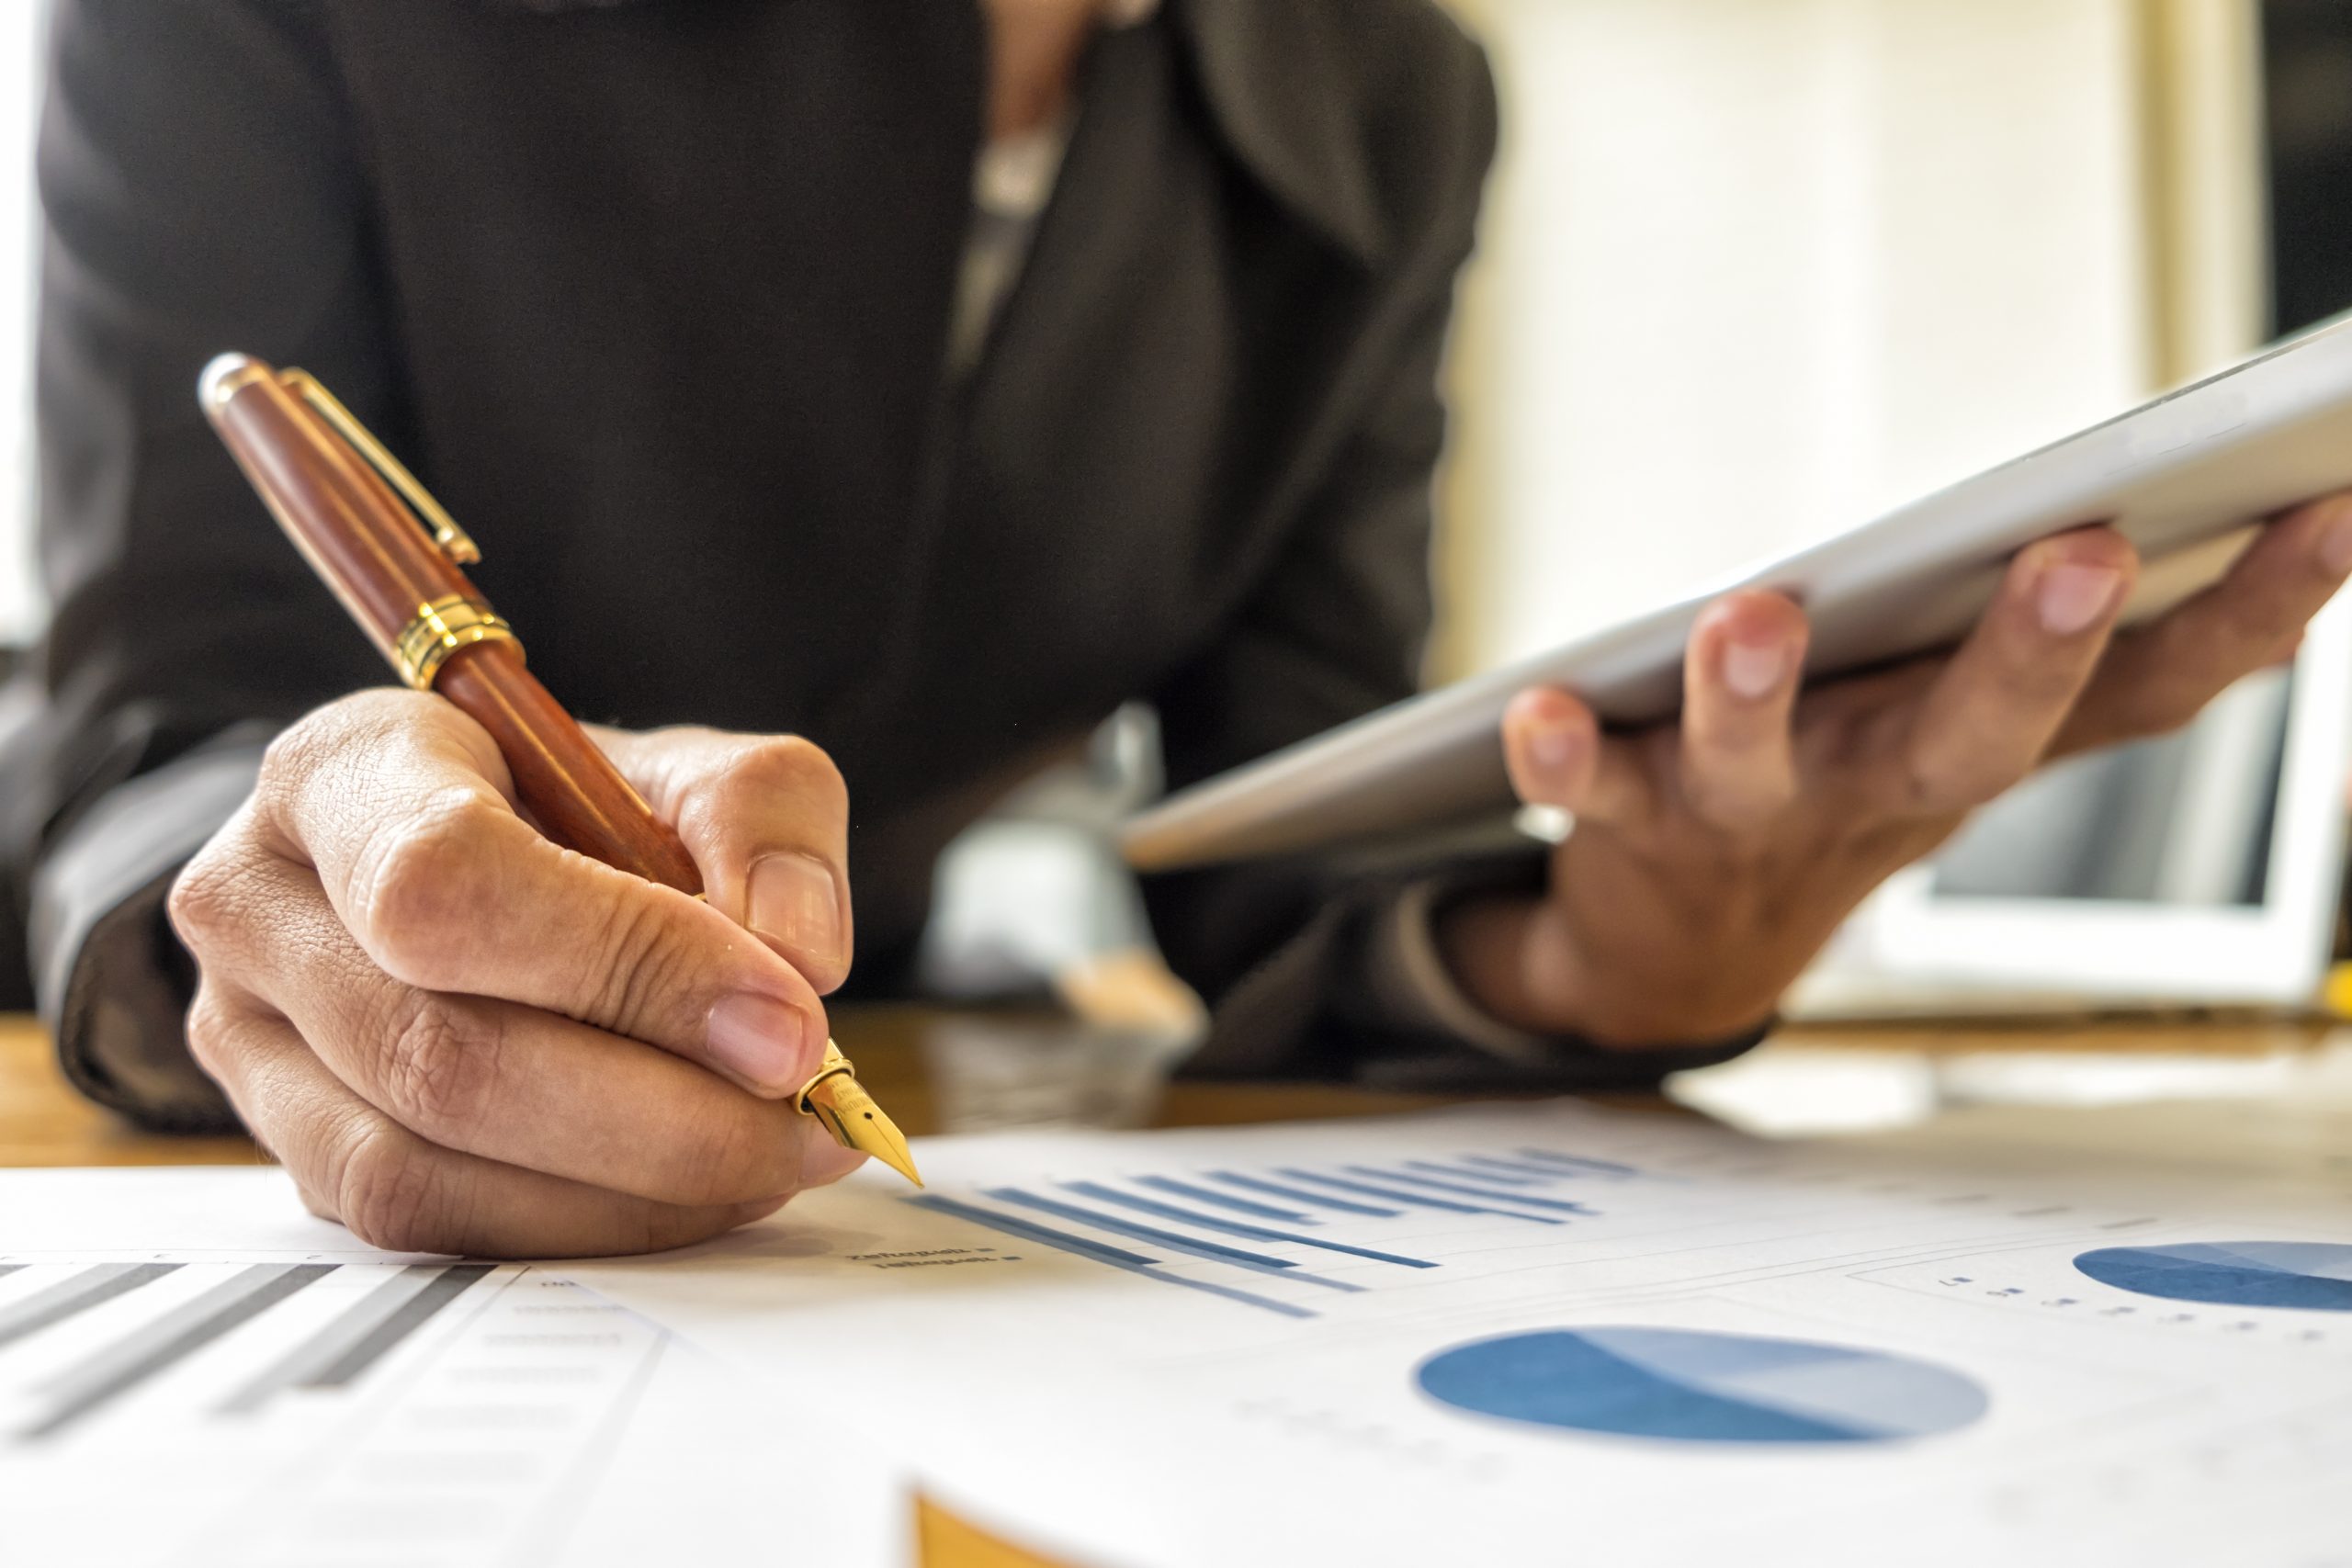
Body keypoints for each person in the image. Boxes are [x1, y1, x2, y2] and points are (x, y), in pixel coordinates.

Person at [2, 0, 2343, 1258]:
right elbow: (166, 717)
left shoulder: (1392, 97)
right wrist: (312, 871)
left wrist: (1636, 956)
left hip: (818, 1040)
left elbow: (1276, 825)